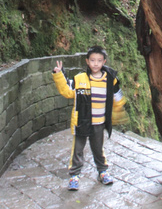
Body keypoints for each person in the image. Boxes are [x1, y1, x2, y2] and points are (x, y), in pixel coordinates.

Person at [53, 45, 128, 191]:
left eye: (99, 60)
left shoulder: (110, 80)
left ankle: (103, 171)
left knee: (98, 148)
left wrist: (119, 112)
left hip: (99, 122)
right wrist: (59, 75)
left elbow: (117, 96)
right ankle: (74, 175)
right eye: (92, 60)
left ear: (104, 62)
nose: (95, 63)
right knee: (78, 149)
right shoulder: (80, 79)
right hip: (82, 121)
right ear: (87, 61)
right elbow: (68, 91)